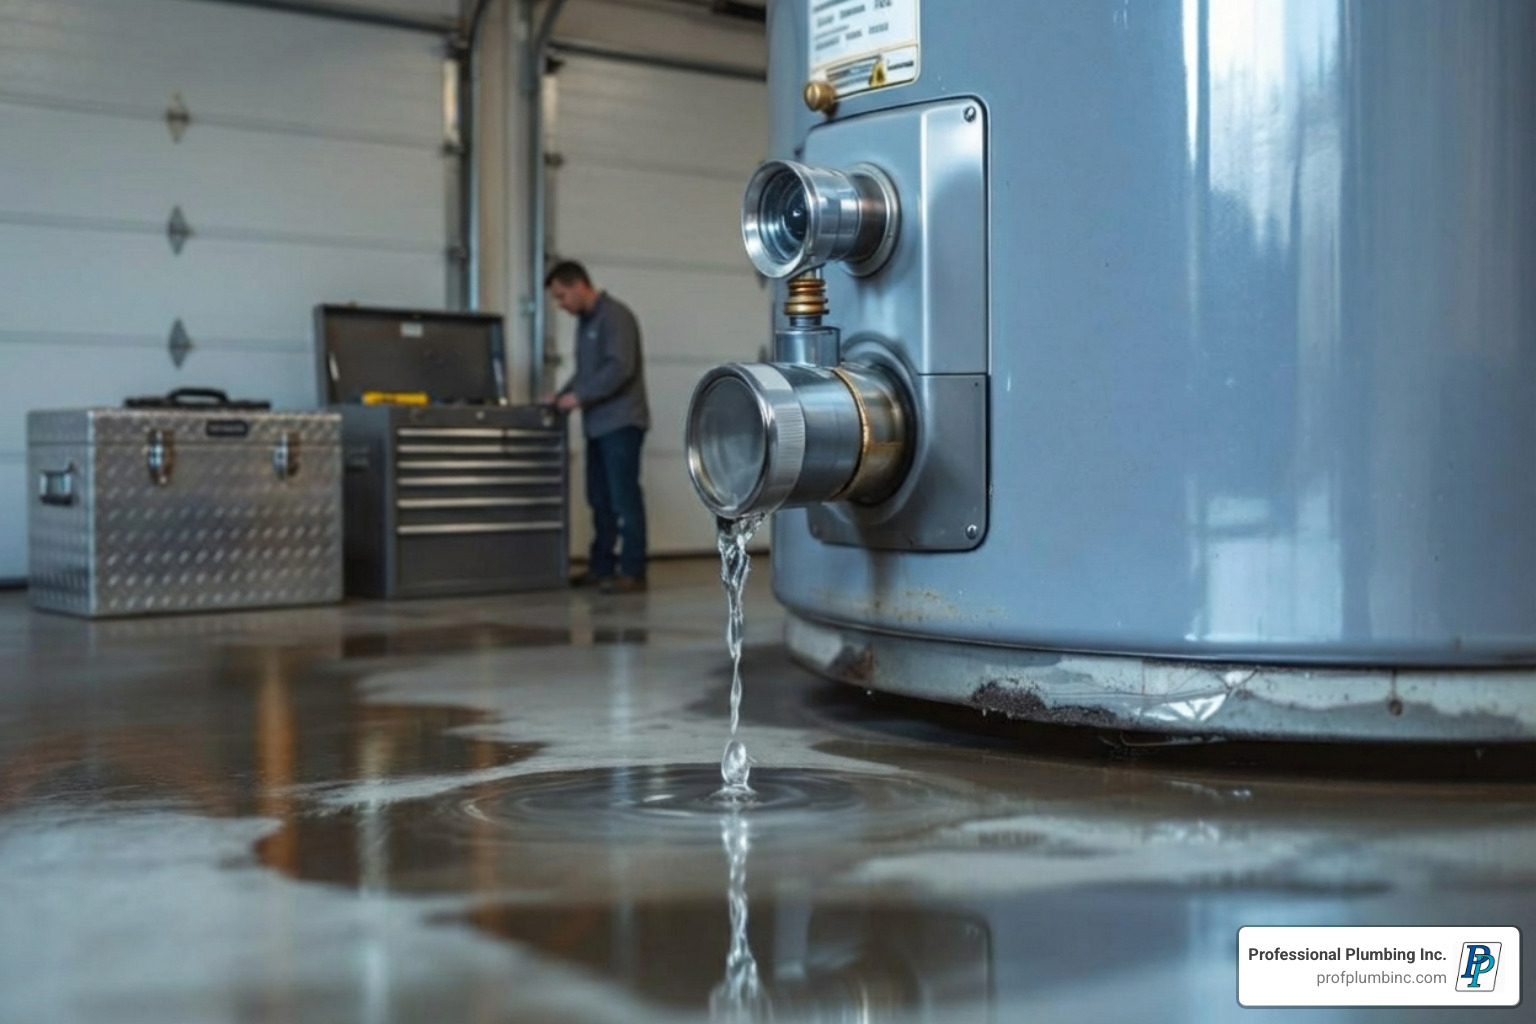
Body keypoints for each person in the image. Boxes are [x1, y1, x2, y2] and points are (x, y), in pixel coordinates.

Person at [542, 261, 651, 594]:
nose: (561, 305)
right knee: (599, 500)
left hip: (621, 423)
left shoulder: (615, 317)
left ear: (579, 285)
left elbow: (620, 368)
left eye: (562, 296)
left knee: (623, 499)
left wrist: (579, 397)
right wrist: (561, 395)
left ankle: (632, 571)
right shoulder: (586, 322)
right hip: (598, 426)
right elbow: (586, 372)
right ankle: (601, 567)